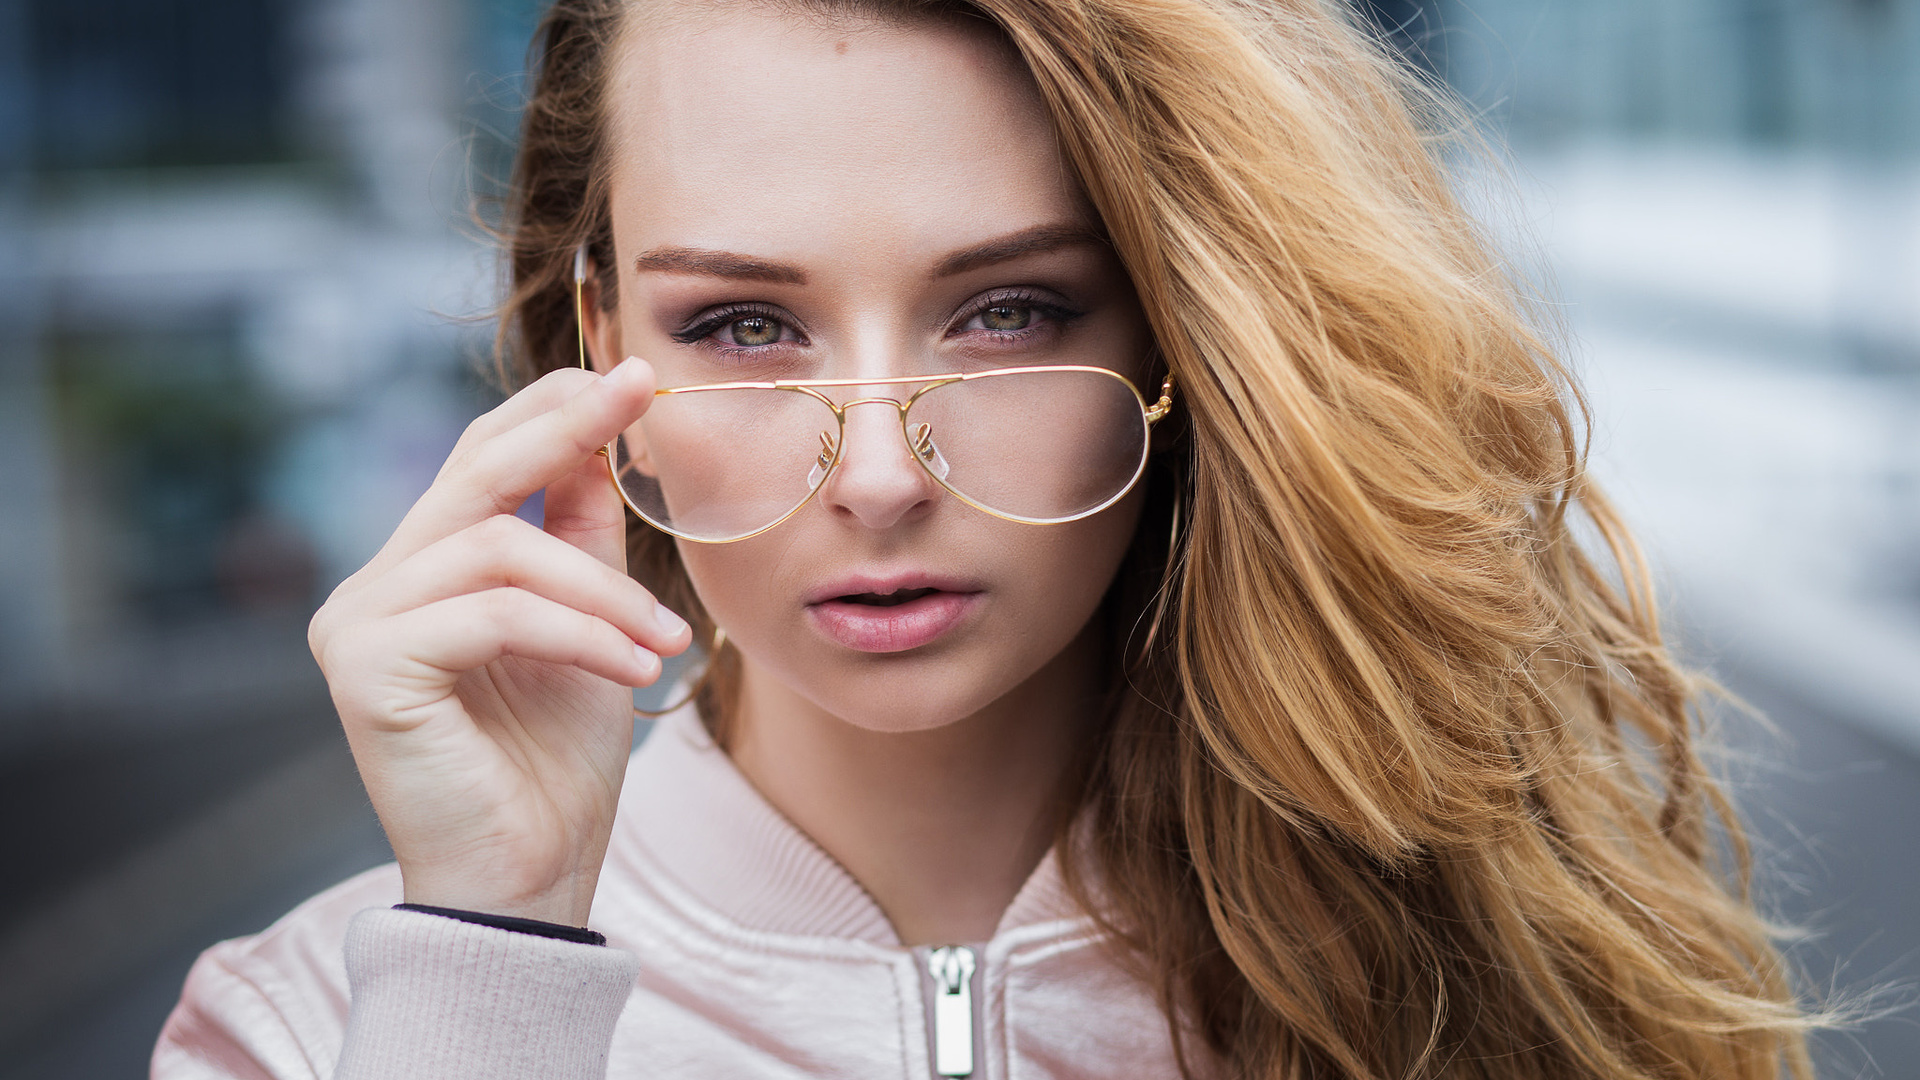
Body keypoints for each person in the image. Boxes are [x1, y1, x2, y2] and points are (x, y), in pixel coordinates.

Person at [152, 1, 1822, 1077]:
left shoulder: (1487, 977)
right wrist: (493, 957)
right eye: (742, 323)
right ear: (602, 340)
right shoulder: (319, 1030)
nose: (879, 474)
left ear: (1183, 332)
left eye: (1009, 310)